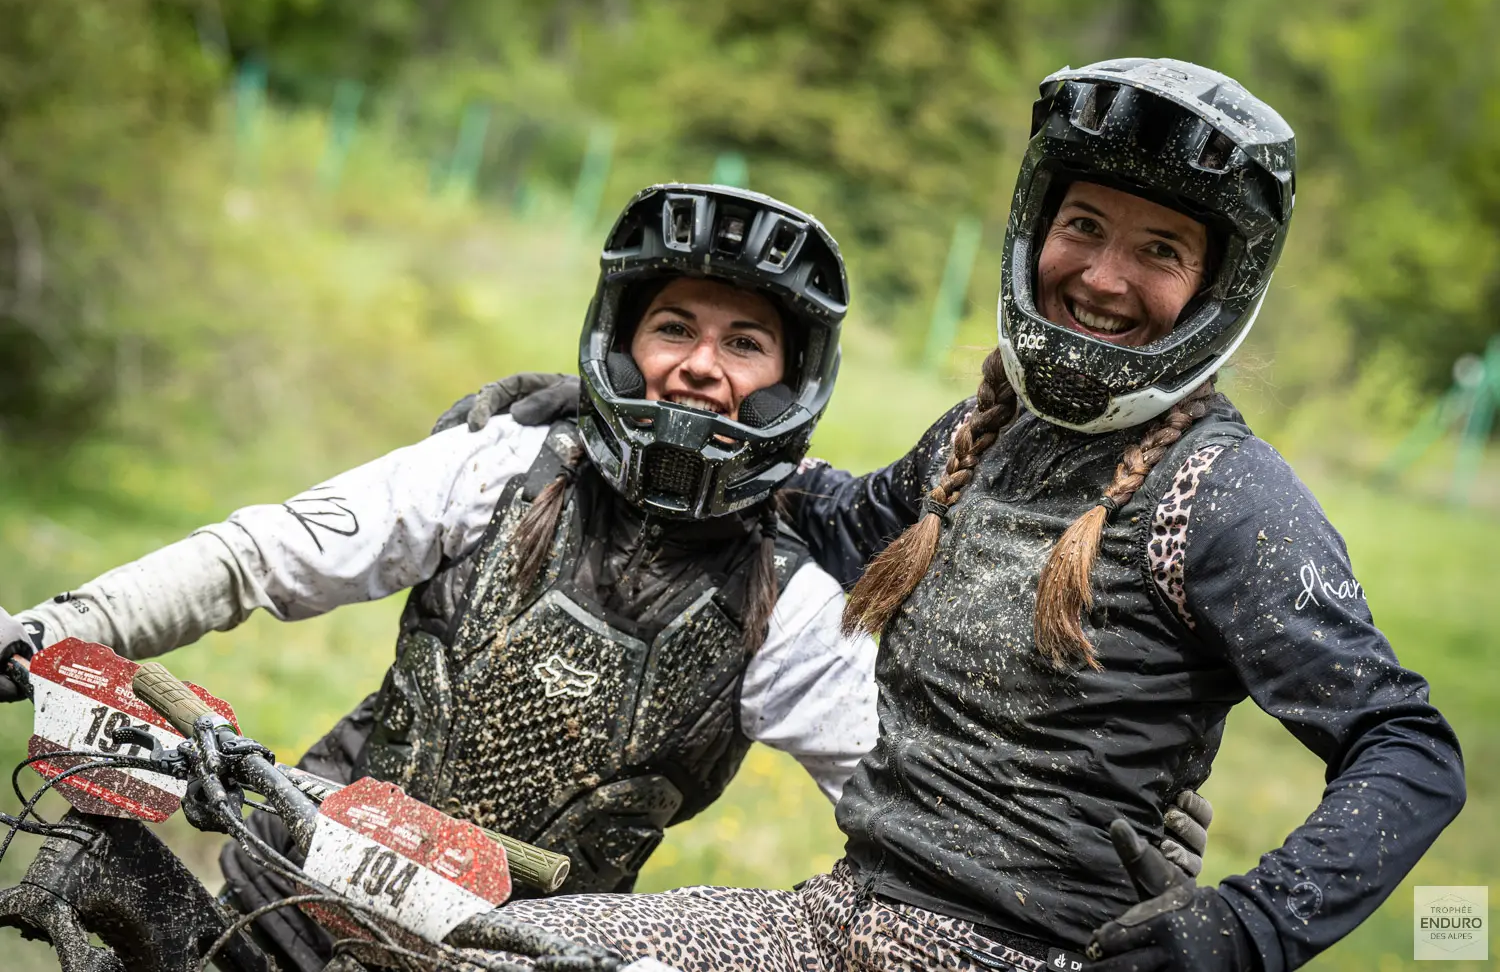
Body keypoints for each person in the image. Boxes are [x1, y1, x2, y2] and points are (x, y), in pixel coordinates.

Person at [438, 58, 1466, 972]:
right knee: (502, 946)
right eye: (1085, 226)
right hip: (839, 921)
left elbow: (1409, 748)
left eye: (1160, 249)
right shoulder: (987, 435)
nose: (1104, 275)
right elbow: (837, 520)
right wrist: (632, 411)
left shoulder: (1225, 498)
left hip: (1028, 953)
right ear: (1036, 228)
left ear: (1215, 287)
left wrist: (1247, 927)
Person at [0, 184, 879, 971]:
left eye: (746, 343)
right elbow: (259, 555)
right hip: (284, 905)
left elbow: (902, 819)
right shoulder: (501, 465)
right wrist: (57, 623)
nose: (698, 365)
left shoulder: (791, 608)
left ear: (789, 387)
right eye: (674, 326)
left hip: (504, 961)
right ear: (621, 346)